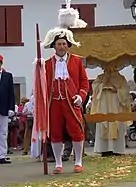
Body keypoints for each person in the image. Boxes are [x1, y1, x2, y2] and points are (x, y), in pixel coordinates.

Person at [41, 27, 89, 173]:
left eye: (63, 44)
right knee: (55, 133)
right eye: (58, 44)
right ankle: (58, 164)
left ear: (68, 45)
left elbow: (84, 82)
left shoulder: (77, 61)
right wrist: (36, 68)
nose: (61, 47)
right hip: (54, 102)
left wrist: (81, 96)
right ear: (54, 46)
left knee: (76, 131)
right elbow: (41, 84)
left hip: (72, 102)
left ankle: (78, 161)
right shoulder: (46, 64)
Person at [91, 64, 132, 156]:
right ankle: (104, 149)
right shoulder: (100, 77)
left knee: (117, 123)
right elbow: (95, 89)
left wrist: (117, 89)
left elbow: (125, 91)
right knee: (103, 123)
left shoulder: (121, 78)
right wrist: (102, 85)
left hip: (116, 104)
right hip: (104, 105)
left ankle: (117, 149)